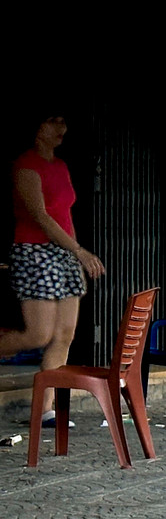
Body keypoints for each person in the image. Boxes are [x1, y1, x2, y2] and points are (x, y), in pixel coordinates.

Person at [0, 111, 104, 426]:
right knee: (38, 334)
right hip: (35, 252)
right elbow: (42, 218)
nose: (62, 128)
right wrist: (80, 251)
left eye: (63, 121)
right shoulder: (25, 166)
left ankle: (45, 409)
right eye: (53, 121)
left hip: (65, 253)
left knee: (64, 334)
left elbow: (64, 215)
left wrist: (73, 257)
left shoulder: (60, 166)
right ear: (36, 127)